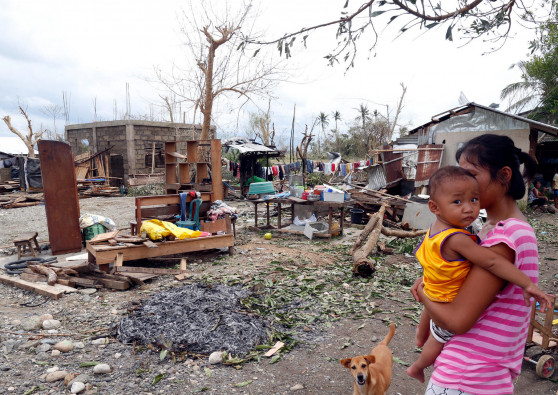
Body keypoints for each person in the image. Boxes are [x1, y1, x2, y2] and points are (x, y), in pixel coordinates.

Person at [412, 134, 550, 395]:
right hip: (478, 374)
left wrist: (423, 293)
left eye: (471, 174)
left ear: (504, 175)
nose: (464, 182)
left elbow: (458, 321)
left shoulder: (504, 238)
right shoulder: (492, 232)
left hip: (469, 375)